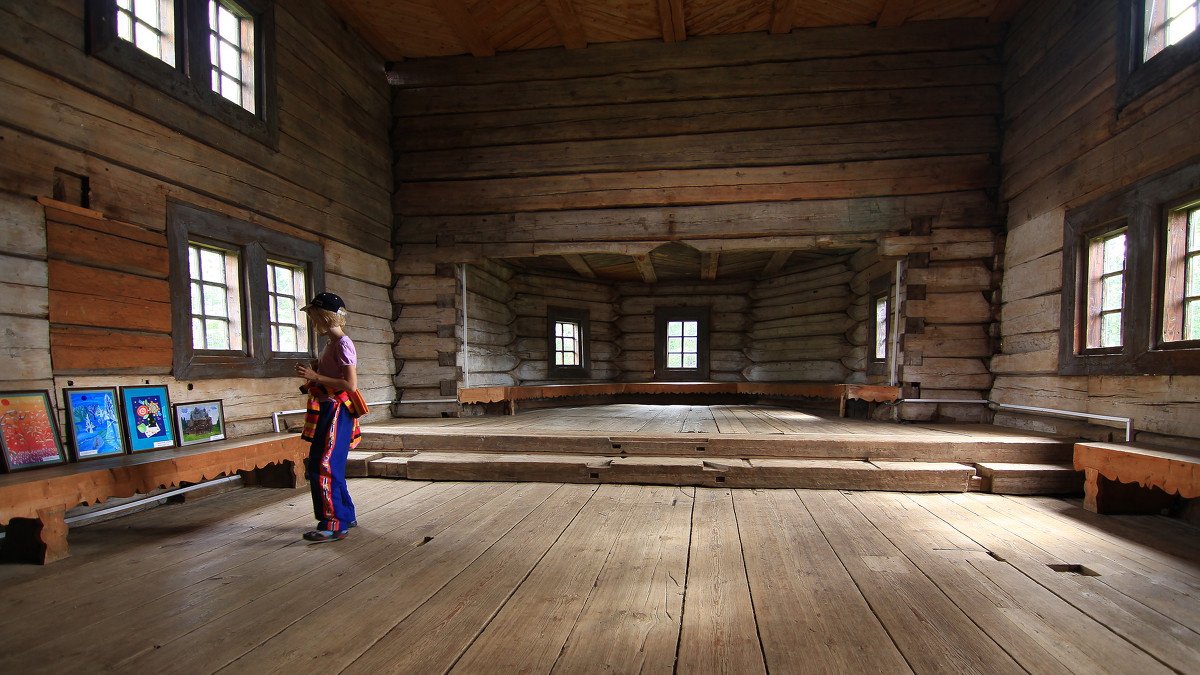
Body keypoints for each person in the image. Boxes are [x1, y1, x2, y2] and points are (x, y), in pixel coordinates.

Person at [295, 291, 360, 542]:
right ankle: (345, 515)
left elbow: (350, 385)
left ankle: (333, 524)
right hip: (327, 409)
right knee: (328, 464)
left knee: (323, 465)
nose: (312, 322)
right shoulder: (332, 345)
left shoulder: (343, 344)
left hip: (335, 409)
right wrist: (316, 369)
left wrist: (316, 378)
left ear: (323, 316)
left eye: (313, 316)